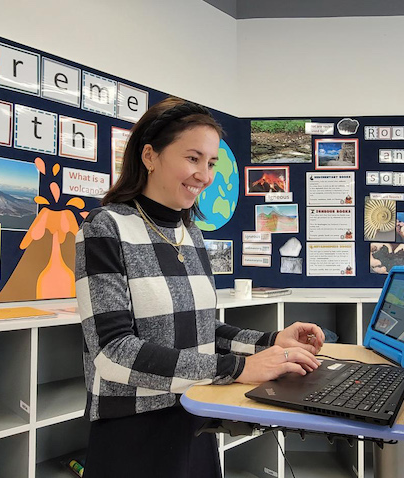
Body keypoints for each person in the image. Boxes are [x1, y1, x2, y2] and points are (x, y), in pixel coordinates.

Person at [76, 97, 326, 478]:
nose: (205, 176)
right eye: (193, 159)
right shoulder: (105, 226)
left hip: (195, 409)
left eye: (211, 163)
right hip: (133, 429)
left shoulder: (189, 232)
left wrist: (272, 343)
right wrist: (239, 368)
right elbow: (113, 353)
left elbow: (202, 330)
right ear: (149, 155)